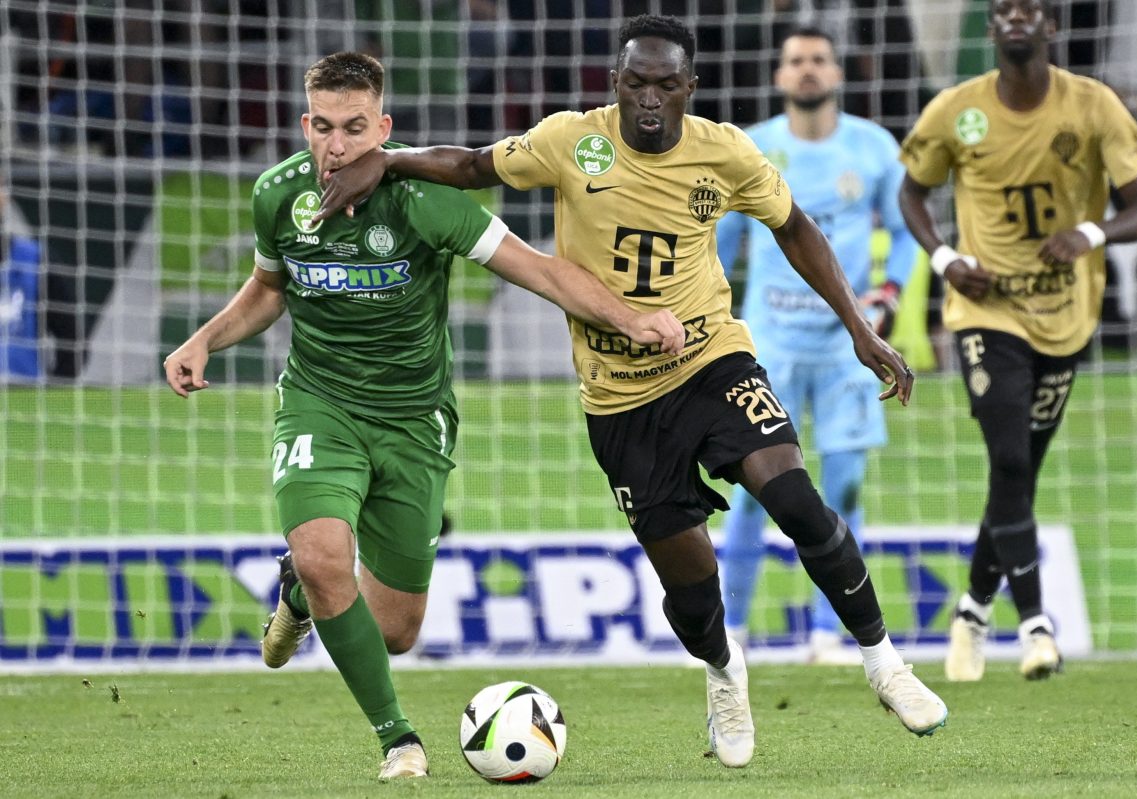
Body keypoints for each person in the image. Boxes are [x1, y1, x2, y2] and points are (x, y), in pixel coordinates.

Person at [314, 15, 947, 769]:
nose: (649, 98)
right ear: (616, 82)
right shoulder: (570, 141)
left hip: (712, 359)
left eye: (665, 85)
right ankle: (724, 673)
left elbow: (796, 228)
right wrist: (387, 161)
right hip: (620, 401)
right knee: (691, 582)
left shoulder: (727, 152)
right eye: (636, 83)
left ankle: (884, 663)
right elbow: (474, 166)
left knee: (796, 499)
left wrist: (859, 328)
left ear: (690, 88)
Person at [162, 51, 685, 781]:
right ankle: (398, 739)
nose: (336, 145)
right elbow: (268, 287)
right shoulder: (277, 195)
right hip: (319, 404)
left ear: (383, 129)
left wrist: (630, 319)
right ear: (305, 125)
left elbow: (539, 269)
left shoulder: (425, 199)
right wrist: (206, 338)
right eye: (323, 127)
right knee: (324, 555)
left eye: (354, 128)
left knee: (395, 630)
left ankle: (299, 593)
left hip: (414, 421)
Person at [898, 0, 1137, 682]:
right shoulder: (957, 110)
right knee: (1010, 458)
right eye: (1005, 10)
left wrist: (1091, 233)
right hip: (984, 312)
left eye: (1031, 9)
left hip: (1066, 315)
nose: (1016, 18)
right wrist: (946, 260)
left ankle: (971, 610)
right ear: (992, 29)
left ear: (1053, 26)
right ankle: (1037, 625)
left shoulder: (1093, 105)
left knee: (1018, 474)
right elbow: (911, 193)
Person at [715, 26, 918, 665]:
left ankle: (833, 634)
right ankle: (732, 630)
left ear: (837, 72)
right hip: (768, 342)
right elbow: (718, 244)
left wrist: (888, 294)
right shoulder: (753, 148)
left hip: (845, 347)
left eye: (819, 59)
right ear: (779, 75)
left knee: (846, 486)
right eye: (796, 60)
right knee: (754, 487)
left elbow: (907, 231)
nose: (807, 69)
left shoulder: (874, 148)